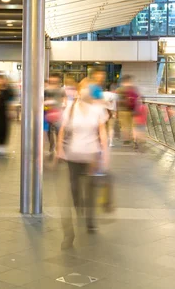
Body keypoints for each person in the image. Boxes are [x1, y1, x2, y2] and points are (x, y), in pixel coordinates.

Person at [55, 78, 109, 249]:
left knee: (92, 188)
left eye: (89, 88)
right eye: (84, 88)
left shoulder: (98, 109)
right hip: (74, 154)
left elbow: (102, 131)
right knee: (74, 188)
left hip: (92, 154)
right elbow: (62, 129)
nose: (86, 91)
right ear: (79, 91)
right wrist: (59, 149)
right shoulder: (70, 109)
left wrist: (105, 152)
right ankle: (79, 207)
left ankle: (90, 219)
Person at [0, 74, 14, 155]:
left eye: (2, 79)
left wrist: (11, 111)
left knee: (4, 129)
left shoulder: (9, 90)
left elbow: (11, 102)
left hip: (5, 113)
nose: (0, 81)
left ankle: (2, 146)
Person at [44, 74, 66, 155]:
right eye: (52, 80)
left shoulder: (61, 90)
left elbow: (63, 99)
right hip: (48, 112)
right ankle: (51, 148)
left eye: (55, 80)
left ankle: (59, 148)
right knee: (49, 131)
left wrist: (63, 105)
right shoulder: (46, 90)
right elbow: (44, 100)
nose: (53, 81)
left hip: (58, 112)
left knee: (59, 131)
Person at [116, 75, 140, 148]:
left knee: (124, 126)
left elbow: (117, 101)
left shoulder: (119, 89)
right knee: (134, 126)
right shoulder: (134, 89)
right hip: (133, 110)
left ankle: (126, 140)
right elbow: (138, 99)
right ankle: (135, 140)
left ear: (123, 81)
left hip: (123, 110)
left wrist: (116, 111)